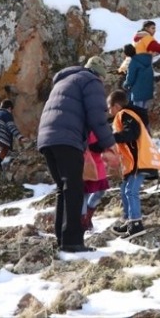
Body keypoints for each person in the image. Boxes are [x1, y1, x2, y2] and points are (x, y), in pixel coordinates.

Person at [37, 56, 120, 253]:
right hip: (67, 140)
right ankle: (73, 242)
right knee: (74, 188)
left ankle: (62, 240)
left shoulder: (65, 81)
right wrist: (111, 146)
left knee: (63, 188)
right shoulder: (91, 81)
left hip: (47, 139)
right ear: (100, 76)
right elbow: (97, 117)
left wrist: (99, 147)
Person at [107, 89, 160, 238]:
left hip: (140, 161)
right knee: (124, 190)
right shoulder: (127, 115)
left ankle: (136, 224)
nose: (108, 110)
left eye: (109, 107)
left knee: (131, 191)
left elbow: (132, 134)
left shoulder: (126, 114)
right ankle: (128, 220)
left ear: (116, 106)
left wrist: (112, 137)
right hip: (133, 163)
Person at [81, 130, 110, 232]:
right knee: (84, 193)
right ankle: (83, 221)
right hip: (86, 161)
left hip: (97, 162)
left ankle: (87, 217)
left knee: (100, 190)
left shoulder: (96, 123)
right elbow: (95, 146)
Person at [122, 44, 154, 130]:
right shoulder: (147, 59)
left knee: (137, 114)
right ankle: (147, 133)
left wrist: (125, 85)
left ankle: (140, 134)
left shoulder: (133, 62)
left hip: (137, 92)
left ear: (127, 54)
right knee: (144, 113)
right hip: (147, 91)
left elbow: (130, 78)